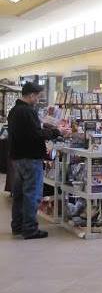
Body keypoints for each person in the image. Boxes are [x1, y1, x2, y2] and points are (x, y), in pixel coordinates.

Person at [9, 82, 61, 240]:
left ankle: (17, 226)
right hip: (30, 158)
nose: (38, 99)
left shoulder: (14, 111)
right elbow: (36, 134)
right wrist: (56, 132)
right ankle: (30, 229)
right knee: (32, 194)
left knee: (19, 195)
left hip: (17, 158)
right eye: (37, 96)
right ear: (31, 95)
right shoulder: (27, 112)